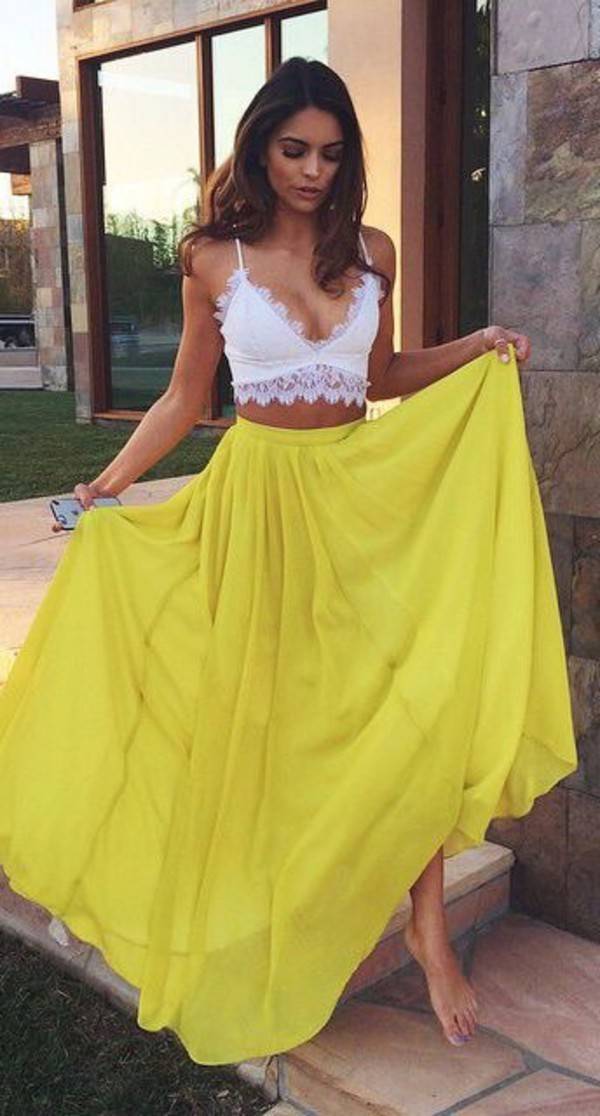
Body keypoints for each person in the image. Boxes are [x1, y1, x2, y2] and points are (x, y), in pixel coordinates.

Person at [0, 57, 577, 1065]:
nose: (313, 170)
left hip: (362, 500)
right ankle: (262, 897)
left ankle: (426, 923)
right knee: (268, 715)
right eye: (294, 149)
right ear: (261, 148)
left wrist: (475, 343)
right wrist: (106, 485)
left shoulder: (372, 252)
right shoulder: (211, 258)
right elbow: (185, 397)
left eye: (331, 153)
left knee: (403, 706)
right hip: (258, 508)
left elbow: (382, 375)